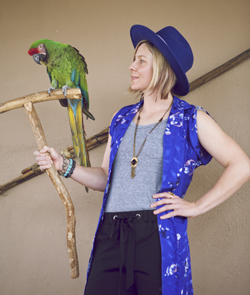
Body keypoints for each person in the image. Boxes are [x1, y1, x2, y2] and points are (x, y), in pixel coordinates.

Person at [34, 25, 250, 295]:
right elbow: (107, 178)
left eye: (141, 61)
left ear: (161, 68)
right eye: (133, 59)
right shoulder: (121, 118)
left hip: (156, 237)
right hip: (111, 233)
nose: (131, 67)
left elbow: (242, 165)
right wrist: (64, 166)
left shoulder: (190, 118)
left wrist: (196, 206)